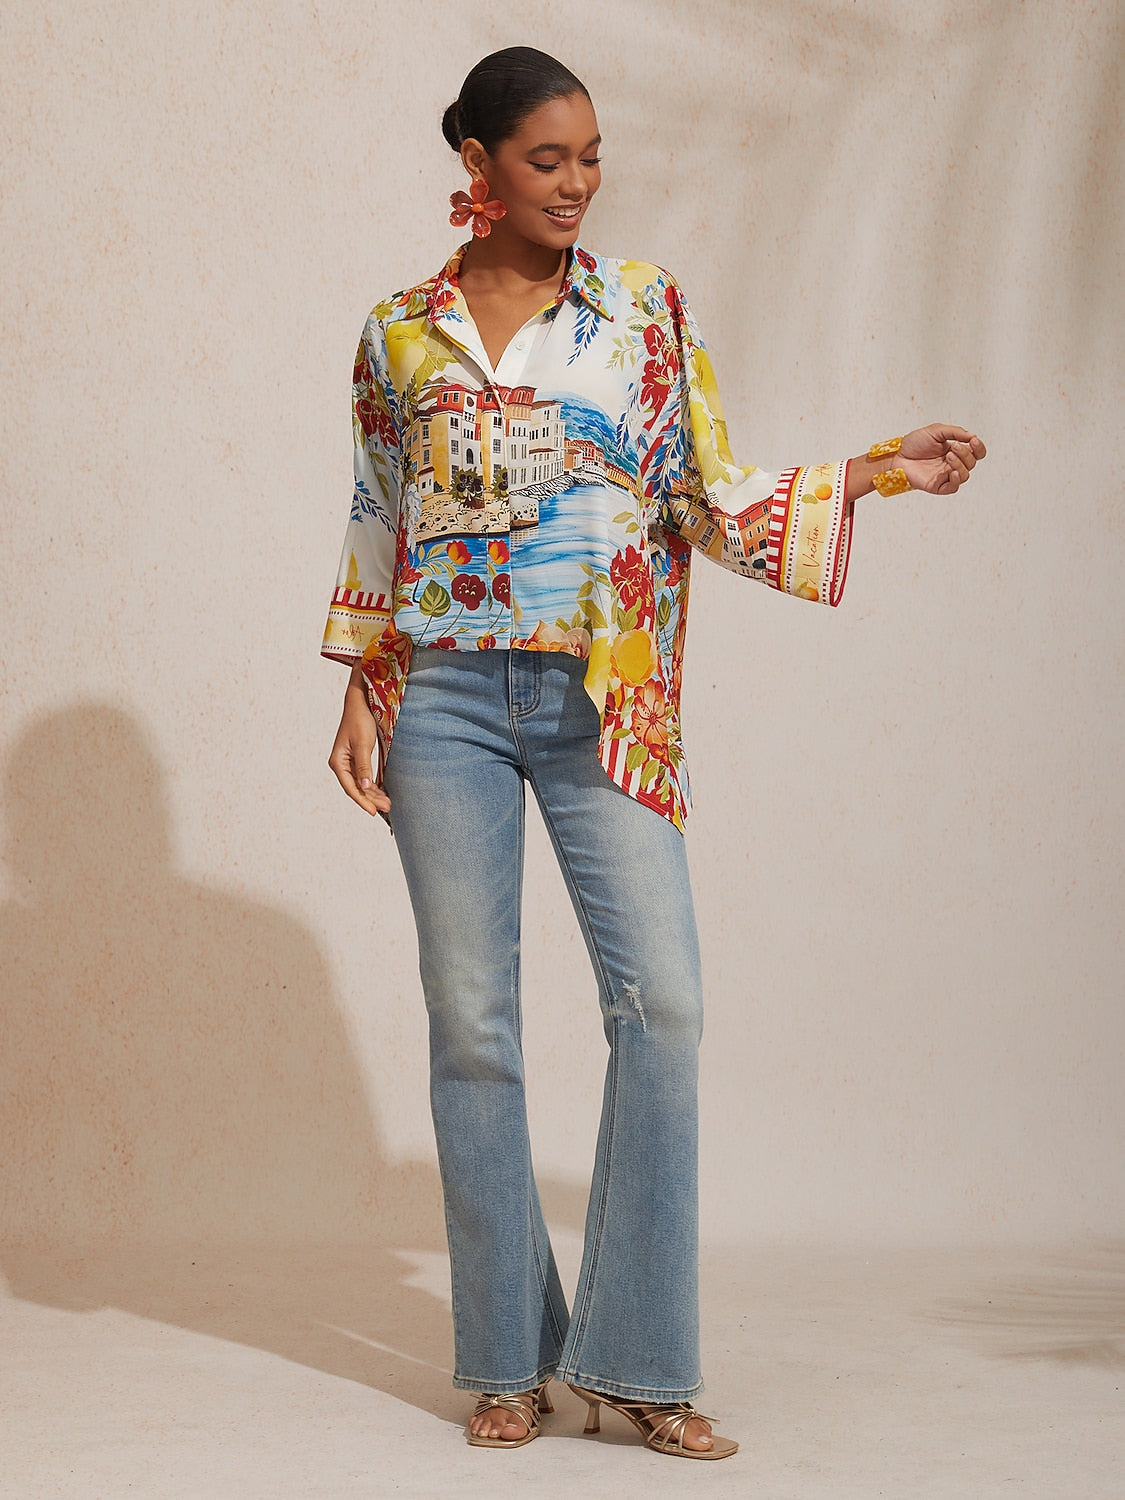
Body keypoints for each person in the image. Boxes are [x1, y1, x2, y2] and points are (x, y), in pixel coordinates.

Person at [325, 46, 985, 1461]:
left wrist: (872, 471)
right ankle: (506, 1360)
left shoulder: (642, 312)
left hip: (602, 699)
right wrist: (361, 684)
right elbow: (379, 516)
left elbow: (704, 494)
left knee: (661, 1005)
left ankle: (634, 1363)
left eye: (590, 157)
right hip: (440, 697)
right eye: (546, 159)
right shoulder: (396, 334)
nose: (577, 183)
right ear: (477, 164)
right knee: (472, 1022)